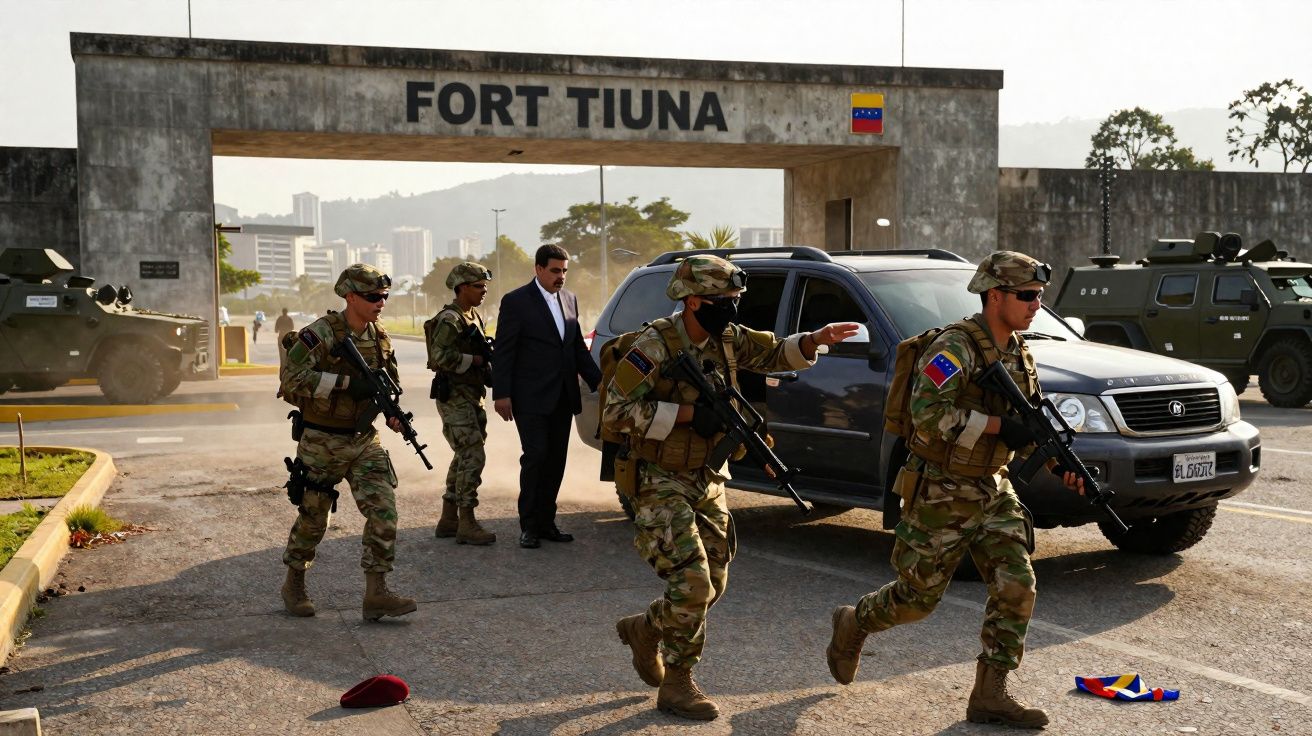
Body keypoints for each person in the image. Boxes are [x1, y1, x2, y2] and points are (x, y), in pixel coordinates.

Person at [825, 251, 1084, 729]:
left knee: (1017, 586)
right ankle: (855, 621)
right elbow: (927, 415)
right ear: (995, 296)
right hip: (941, 488)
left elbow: (1028, 424)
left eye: (1039, 296)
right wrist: (997, 426)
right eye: (1027, 295)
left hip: (993, 488)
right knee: (916, 600)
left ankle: (990, 694)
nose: (1036, 305)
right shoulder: (954, 348)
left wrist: (1060, 464)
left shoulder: (1018, 351)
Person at [602, 255, 859, 720]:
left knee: (713, 583)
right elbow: (616, 414)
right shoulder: (653, 345)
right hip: (659, 478)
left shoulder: (727, 338)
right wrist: (686, 415)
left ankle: (646, 629)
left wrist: (815, 339)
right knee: (693, 583)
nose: (732, 308)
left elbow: (773, 353)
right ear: (693, 301)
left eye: (735, 299)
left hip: (708, 476)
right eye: (723, 300)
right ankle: (678, 684)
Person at [277, 263, 417, 622]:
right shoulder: (319, 333)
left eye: (384, 296)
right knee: (314, 519)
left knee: (384, 512)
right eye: (373, 296)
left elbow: (387, 384)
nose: (380, 302)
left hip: (364, 439)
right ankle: (294, 583)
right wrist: (346, 384)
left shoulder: (379, 336)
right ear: (350, 296)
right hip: (322, 440)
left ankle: (377, 593)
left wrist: (392, 414)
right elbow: (291, 380)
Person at [492, 244, 602, 549]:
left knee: (555, 461)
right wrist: (501, 393)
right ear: (539, 269)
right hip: (529, 397)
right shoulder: (516, 301)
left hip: (563, 397)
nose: (561, 276)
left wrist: (600, 383)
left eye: (564, 271)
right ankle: (528, 526)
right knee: (536, 456)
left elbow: (576, 348)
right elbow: (504, 351)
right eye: (555, 270)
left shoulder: (569, 299)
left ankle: (546, 522)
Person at [426, 261, 496, 546]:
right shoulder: (450, 319)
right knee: (473, 455)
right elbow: (439, 358)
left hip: (471, 394)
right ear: (463, 287)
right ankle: (466, 521)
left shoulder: (473, 316)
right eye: (479, 286)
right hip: (454, 396)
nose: (484, 291)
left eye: (485, 286)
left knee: (463, 456)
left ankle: (448, 520)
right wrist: (475, 360)